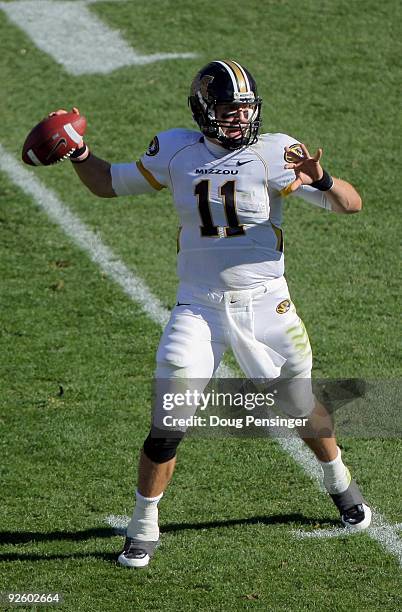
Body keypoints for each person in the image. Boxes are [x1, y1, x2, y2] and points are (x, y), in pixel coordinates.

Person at [55, 59, 371, 568]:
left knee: (299, 404)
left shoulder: (275, 152)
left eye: (245, 111)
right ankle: (142, 527)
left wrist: (323, 178)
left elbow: (350, 205)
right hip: (198, 307)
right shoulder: (176, 149)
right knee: (168, 421)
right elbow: (108, 183)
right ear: (203, 111)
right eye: (227, 111)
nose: (239, 121)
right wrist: (78, 153)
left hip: (268, 304)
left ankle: (341, 485)